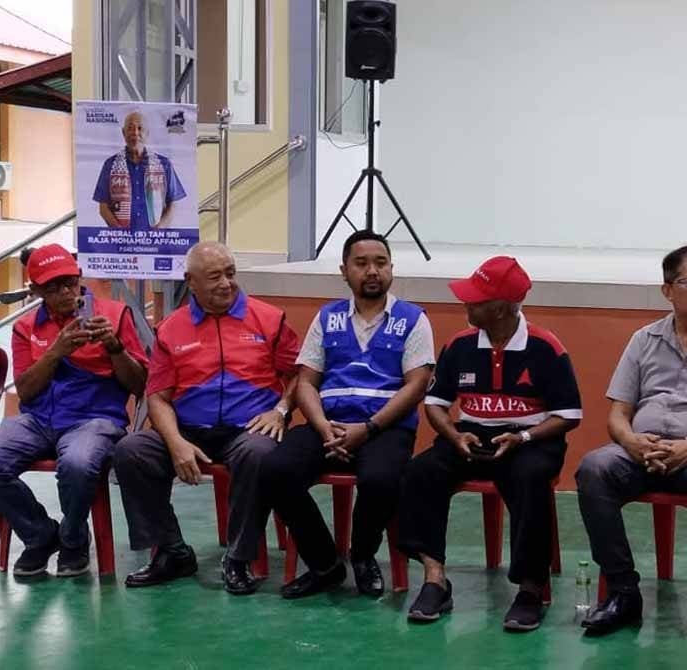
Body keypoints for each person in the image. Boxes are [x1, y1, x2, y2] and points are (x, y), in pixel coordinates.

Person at [576, 246, 687, 651]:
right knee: (593, 468)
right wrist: (631, 441)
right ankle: (623, 591)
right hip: (641, 449)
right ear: (667, 290)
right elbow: (618, 413)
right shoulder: (643, 340)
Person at [398, 256, 583, 632]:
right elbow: (435, 403)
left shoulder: (547, 348)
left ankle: (531, 589)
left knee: (530, 478)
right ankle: (435, 579)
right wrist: (454, 435)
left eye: (475, 300)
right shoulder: (461, 344)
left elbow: (569, 414)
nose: (466, 304)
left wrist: (524, 436)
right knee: (422, 472)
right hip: (469, 434)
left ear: (499, 308)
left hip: (530, 439)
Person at [113, 241, 300, 595]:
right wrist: (176, 443)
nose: (226, 283)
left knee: (258, 454)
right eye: (214, 276)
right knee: (131, 450)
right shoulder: (171, 327)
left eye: (230, 273)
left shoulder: (269, 318)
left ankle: (239, 558)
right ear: (191, 282)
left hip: (249, 427)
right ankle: (172, 551)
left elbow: (303, 374)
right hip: (189, 428)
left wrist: (281, 410)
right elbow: (158, 396)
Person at [259, 230, 435, 600]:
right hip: (329, 424)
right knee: (275, 470)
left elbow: (416, 385)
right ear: (344, 271)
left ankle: (363, 555)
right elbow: (306, 382)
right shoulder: (328, 317)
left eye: (380, 262)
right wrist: (323, 428)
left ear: (391, 269)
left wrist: (367, 429)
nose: (372, 271)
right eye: (361, 263)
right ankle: (325, 564)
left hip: (384, 428)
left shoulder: (413, 319)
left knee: (381, 479)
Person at [0, 244, 147, 577]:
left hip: (95, 418)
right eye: (53, 287)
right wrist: (55, 352)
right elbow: (25, 390)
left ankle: (73, 538)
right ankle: (40, 536)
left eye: (70, 282)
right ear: (36, 291)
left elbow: (139, 386)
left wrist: (114, 347)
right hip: (38, 419)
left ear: (79, 276)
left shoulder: (115, 315)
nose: (66, 292)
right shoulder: (26, 328)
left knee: (78, 463)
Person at [92, 110, 187, 230]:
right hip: (120, 242)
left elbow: (172, 204)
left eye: (140, 128)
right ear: (123, 133)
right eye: (130, 128)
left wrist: (159, 230)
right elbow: (103, 207)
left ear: (147, 133)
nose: (135, 133)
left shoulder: (164, 164)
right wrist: (120, 232)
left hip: (155, 240)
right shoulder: (110, 165)